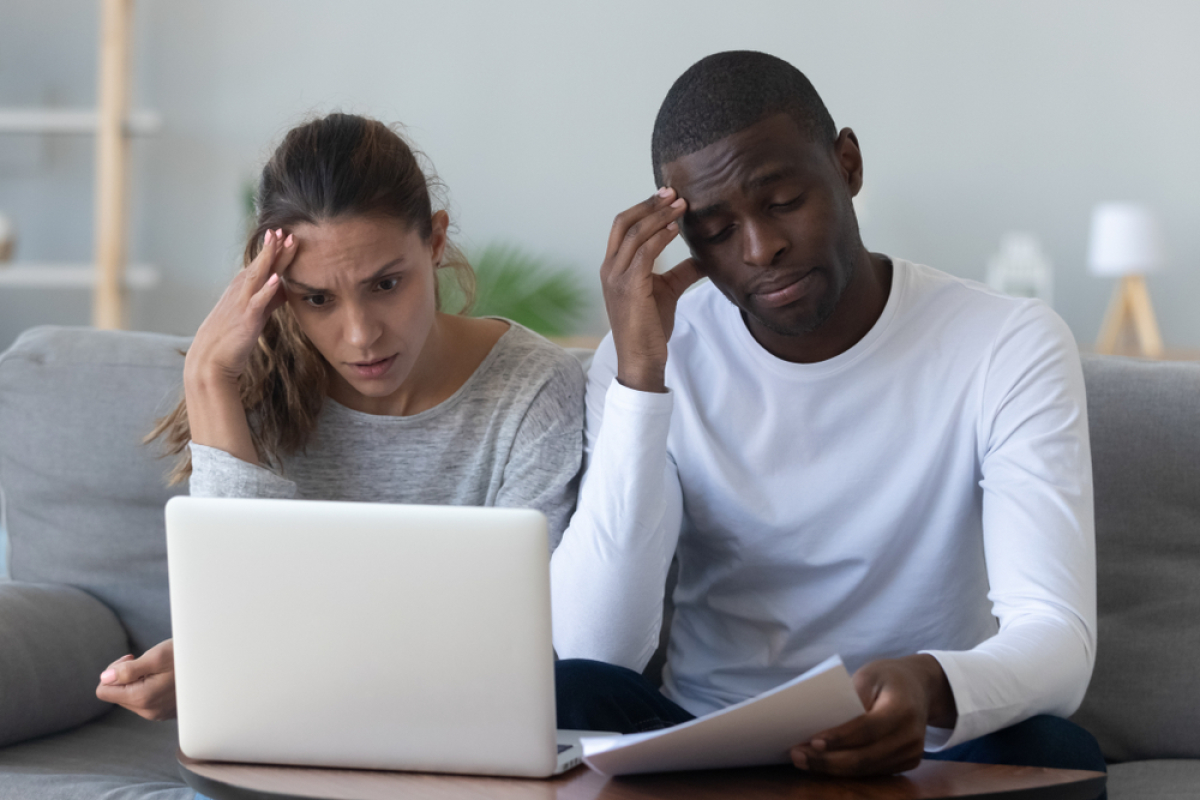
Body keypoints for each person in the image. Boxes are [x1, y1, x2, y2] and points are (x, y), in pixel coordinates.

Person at [550, 51, 1106, 780]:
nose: (761, 248)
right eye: (717, 231)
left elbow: (1058, 637)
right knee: (568, 693)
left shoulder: (1007, 343)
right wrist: (640, 381)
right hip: (710, 744)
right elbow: (601, 649)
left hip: (919, 745)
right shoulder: (652, 358)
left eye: (782, 202)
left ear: (847, 164)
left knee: (1057, 756)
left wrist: (930, 686)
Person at [95, 113, 585, 721]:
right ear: (277, 286)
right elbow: (242, 610)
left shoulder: (534, 390)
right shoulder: (254, 386)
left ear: (435, 242)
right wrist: (207, 380)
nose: (361, 336)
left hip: (453, 722)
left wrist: (249, 657)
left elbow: (518, 639)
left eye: (386, 284)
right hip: (282, 724)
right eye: (318, 299)